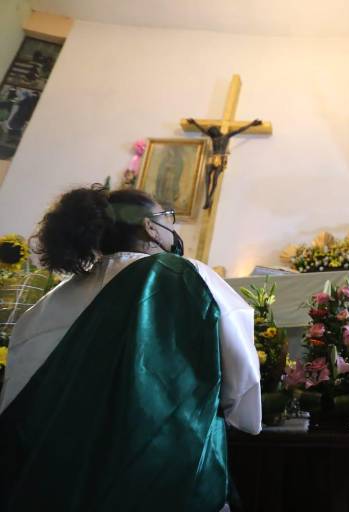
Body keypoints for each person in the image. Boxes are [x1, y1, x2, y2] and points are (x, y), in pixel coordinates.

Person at [0, 186, 261, 511]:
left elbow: (16, 413)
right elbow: (244, 397)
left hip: (57, 490)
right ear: (151, 227)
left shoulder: (40, 311)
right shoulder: (187, 276)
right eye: (168, 218)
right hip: (166, 484)